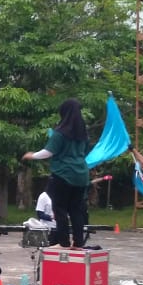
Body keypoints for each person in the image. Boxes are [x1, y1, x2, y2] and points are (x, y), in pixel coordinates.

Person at [22, 98, 91, 249]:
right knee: (76, 210)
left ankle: (64, 243)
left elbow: (48, 152)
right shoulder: (84, 134)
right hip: (81, 175)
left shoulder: (60, 133)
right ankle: (78, 243)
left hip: (63, 175)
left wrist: (32, 155)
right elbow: (85, 152)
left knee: (59, 209)